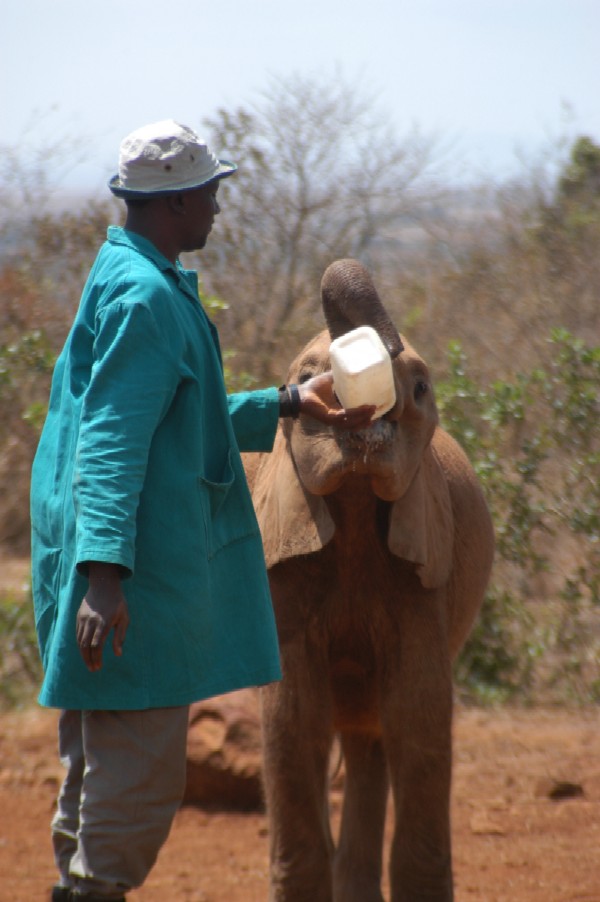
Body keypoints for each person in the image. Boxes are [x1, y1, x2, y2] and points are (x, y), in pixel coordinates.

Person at [30, 119, 374, 902]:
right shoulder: (147, 298)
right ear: (176, 201)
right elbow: (114, 442)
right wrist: (107, 576)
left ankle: (82, 885)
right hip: (132, 577)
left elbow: (175, 414)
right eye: (210, 193)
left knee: (99, 773)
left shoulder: (128, 273)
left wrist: (290, 404)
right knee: (136, 779)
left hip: (110, 559)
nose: (219, 207)